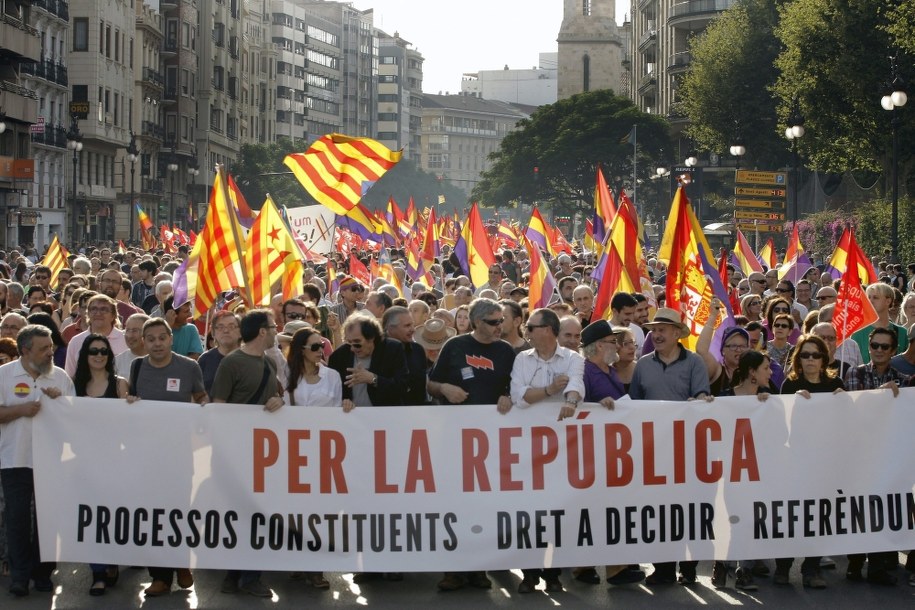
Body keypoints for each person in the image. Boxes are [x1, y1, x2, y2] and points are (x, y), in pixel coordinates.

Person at [428, 298, 514, 592]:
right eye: (493, 321)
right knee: (454, 506)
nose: (499, 326)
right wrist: (444, 388)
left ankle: (479, 568)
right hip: (455, 439)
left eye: (501, 320)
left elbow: (515, 387)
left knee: (485, 507)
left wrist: (508, 395)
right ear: (476, 322)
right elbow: (430, 383)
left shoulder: (506, 352)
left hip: (492, 442)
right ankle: (453, 569)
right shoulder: (455, 346)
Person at [629, 308, 711, 586]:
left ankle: (688, 567)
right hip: (654, 450)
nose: (657, 333)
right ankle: (662, 568)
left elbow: (702, 394)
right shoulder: (643, 364)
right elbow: (634, 404)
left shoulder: (695, 362)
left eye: (663, 329)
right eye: (654, 328)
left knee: (689, 508)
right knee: (659, 510)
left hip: (688, 448)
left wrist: (699, 400)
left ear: (678, 334)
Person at [125, 318, 206, 597]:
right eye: (151, 339)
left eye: (162, 337)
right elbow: (132, 402)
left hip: (181, 454)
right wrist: (131, 404)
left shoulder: (189, 367)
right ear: (143, 342)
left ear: (171, 339)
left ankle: (182, 563)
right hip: (147, 456)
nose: (157, 343)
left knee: (179, 511)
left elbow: (201, 398)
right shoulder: (138, 367)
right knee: (152, 515)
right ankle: (159, 576)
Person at [508, 307, 585, 594]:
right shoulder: (522, 359)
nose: (526, 332)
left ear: (549, 330)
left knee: (556, 510)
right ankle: (529, 573)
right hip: (526, 446)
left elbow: (575, 384)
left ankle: (553, 574)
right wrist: (552, 390)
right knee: (527, 511)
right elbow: (520, 396)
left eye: (531, 327)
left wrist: (571, 401)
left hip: (562, 447)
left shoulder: (573, 358)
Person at [210, 309, 282, 597]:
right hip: (233, 453)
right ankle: (236, 574)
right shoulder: (232, 364)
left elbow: (271, 403)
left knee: (257, 515)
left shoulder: (270, 364)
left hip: (260, 455)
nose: (277, 331)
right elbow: (219, 407)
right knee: (236, 515)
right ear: (262, 332)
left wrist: (277, 401)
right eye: (273, 327)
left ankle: (246, 575)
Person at [0, 325, 74, 597]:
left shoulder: (61, 377)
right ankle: (19, 575)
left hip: (51, 460)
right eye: (43, 349)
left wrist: (61, 404)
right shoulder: (4, 375)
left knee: (47, 520)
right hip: (14, 459)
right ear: (25, 350)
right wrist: (20, 410)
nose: (49, 353)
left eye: (51, 348)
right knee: (17, 519)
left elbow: (74, 418)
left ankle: (42, 573)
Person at [776, 335, 844, 589]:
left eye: (816, 355)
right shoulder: (789, 385)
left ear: (824, 358)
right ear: (798, 359)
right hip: (795, 461)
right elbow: (781, 423)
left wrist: (843, 399)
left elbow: (845, 421)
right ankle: (783, 566)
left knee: (819, 515)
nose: (811, 360)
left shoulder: (835, 383)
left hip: (824, 462)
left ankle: (811, 568)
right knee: (793, 515)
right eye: (805, 355)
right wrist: (793, 404)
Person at [710, 350, 772, 592]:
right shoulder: (725, 397)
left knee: (750, 519)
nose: (770, 372)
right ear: (752, 372)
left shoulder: (770, 399)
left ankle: (744, 570)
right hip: (727, 471)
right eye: (766, 368)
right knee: (728, 518)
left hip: (756, 471)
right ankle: (721, 564)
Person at [72, 333, 128, 595]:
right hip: (83, 463)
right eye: (93, 351)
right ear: (85, 355)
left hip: (115, 462)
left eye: (103, 351)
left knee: (112, 515)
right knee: (91, 517)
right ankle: (97, 572)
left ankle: (112, 560)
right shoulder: (74, 386)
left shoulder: (120, 385)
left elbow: (131, 423)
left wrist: (133, 405)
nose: (98, 355)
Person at [327, 313, 409, 410]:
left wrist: (373, 379)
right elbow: (331, 391)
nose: (352, 349)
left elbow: (402, 387)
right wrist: (344, 401)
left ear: (371, 338)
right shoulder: (339, 356)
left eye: (357, 343)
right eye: (349, 342)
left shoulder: (392, 349)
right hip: (351, 418)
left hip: (386, 416)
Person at [65, 294, 127, 376]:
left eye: (104, 309)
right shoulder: (76, 341)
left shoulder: (125, 340)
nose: (98, 313)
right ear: (88, 314)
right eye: (93, 309)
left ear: (113, 316)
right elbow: (70, 376)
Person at [850, 282, 908, 363]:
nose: (870, 301)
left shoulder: (903, 333)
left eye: (875, 297)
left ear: (888, 301)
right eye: (868, 297)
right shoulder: (857, 334)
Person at [382, 306, 428, 405]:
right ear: (390, 328)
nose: (413, 330)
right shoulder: (376, 351)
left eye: (412, 325)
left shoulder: (418, 350)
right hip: (385, 414)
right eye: (407, 326)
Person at [197, 311, 241, 394]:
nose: (226, 331)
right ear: (213, 333)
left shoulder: (250, 358)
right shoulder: (204, 360)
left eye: (231, 326)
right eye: (220, 327)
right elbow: (195, 391)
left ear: (240, 332)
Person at [114, 313, 150, 378]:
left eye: (135, 331)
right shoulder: (117, 362)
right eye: (127, 330)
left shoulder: (158, 358)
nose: (130, 336)